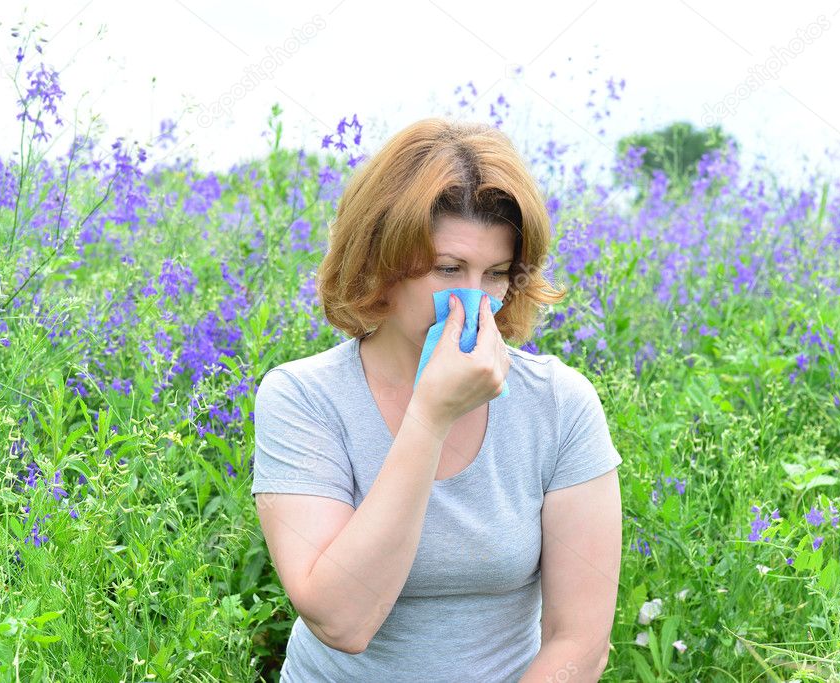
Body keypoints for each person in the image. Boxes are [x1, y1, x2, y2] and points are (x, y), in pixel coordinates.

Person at [251, 117, 623, 682]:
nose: (473, 302)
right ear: (380, 261)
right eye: (448, 270)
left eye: (495, 274)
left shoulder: (559, 404)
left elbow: (581, 642)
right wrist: (430, 416)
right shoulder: (304, 399)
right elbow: (342, 621)